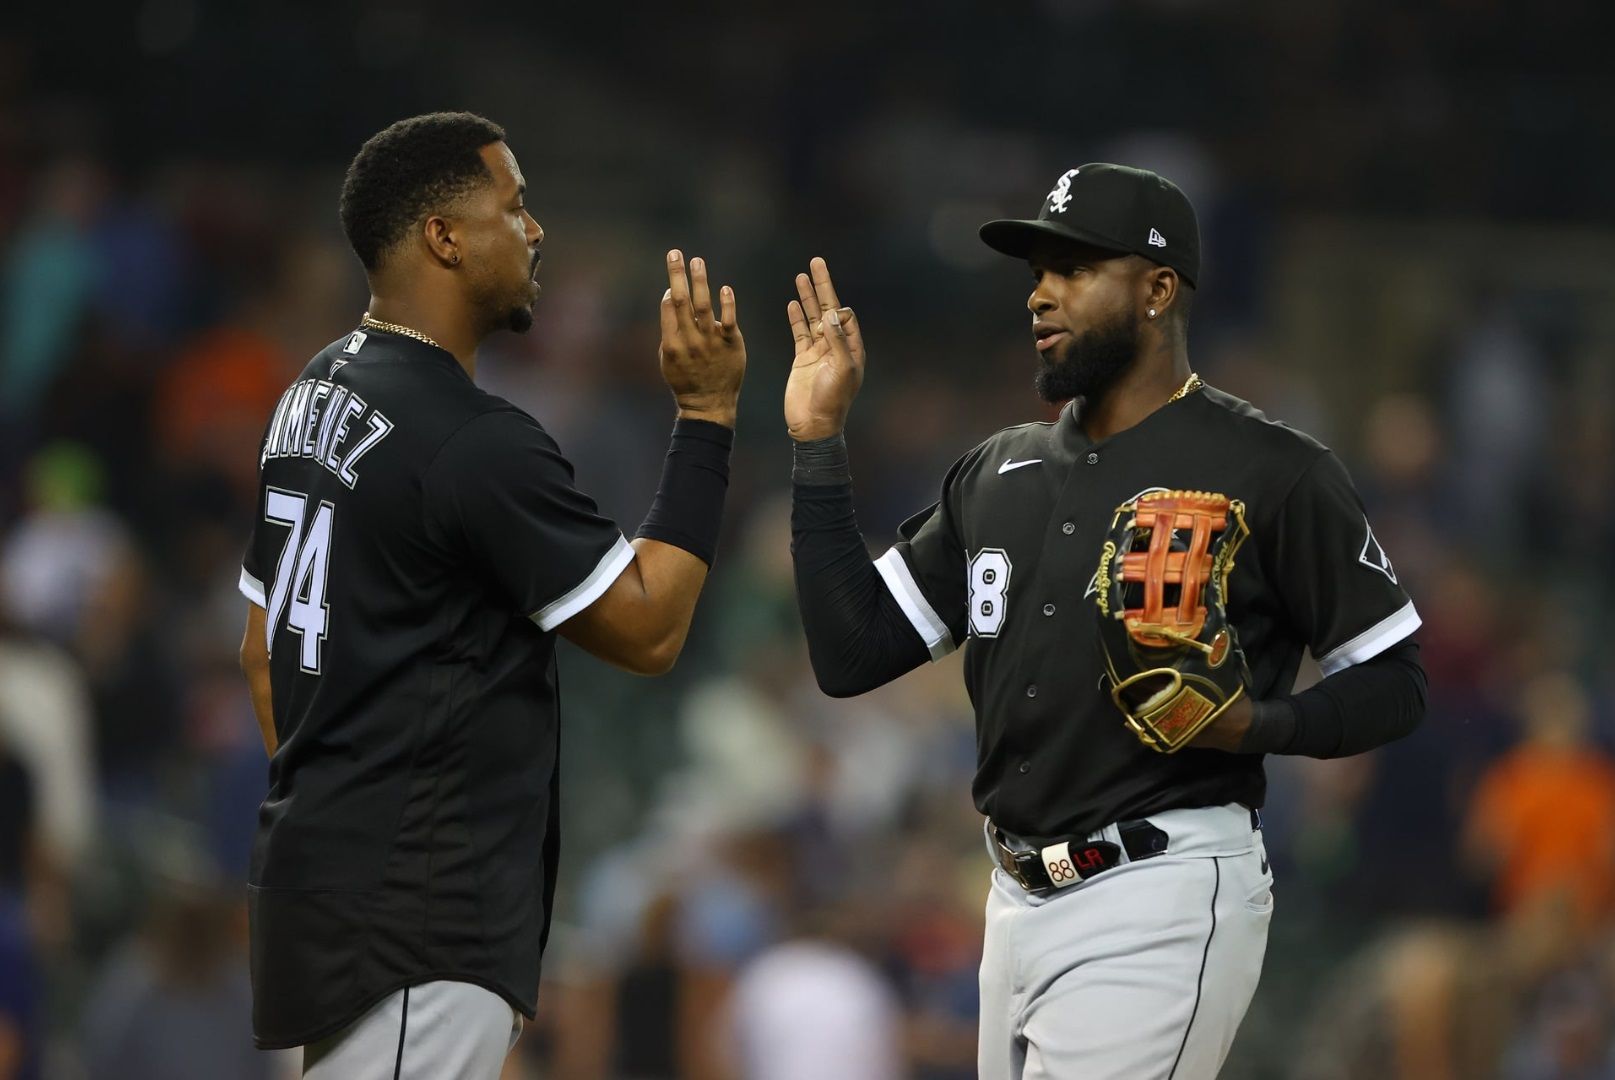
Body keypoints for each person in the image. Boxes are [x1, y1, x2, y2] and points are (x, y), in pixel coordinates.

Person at [784, 163, 1427, 1078]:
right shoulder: (996, 472)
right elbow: (849, 652)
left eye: (1075, 268)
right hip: (1010, 901)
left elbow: (1397, 680)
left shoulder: (1272, 468)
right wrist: (817, 445)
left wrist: (1259, 723)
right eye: (1037, 271)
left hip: (1160, 885)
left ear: (1158, 288)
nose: (1041, 294)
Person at [236, 112, 746, 1079]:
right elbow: (648, 626)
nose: (536, 228)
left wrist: (336, 829)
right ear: (443, 236)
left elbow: (263, 656)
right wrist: (708, 416)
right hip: (416, 920)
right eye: (513, 206)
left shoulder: (311, 390)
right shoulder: (470, 437)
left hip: (345, 903)